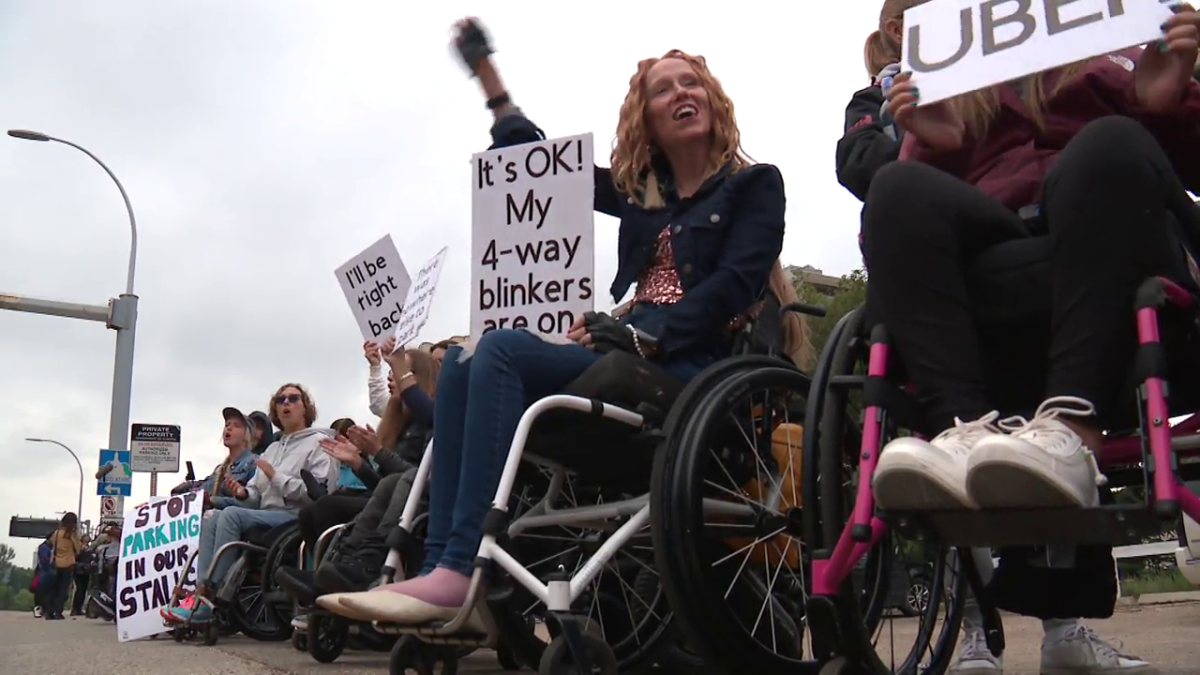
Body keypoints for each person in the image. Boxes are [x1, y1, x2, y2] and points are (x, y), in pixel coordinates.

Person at [330, 17, 805, 628]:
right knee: (467, 360)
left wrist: (641, 334)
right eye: (664, 89)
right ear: (646, 117)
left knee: (499, 350)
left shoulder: (755, 186)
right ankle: (447, 571)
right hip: (628, 356)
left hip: (695, 368)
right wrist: (489, 79)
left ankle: (458, 567)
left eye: (692, 83)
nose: (682, 93)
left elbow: (734, 286)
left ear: (712, 100)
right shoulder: (642, 195)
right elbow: (539, 165)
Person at [865, 5, 1200, 672]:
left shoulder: (1114, 68)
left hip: (1109, 255)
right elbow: (911, 234)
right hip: (996, 277)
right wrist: (932, 140)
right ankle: (958, 431)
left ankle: (1071, 429)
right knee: (897, 186)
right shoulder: (956, 95)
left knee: (1106, 144)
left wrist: (1169, 101)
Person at [277, 343, 439, 617]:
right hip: (395, 497)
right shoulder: (398, 421)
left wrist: (377, 452)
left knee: (327, 506)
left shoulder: (429, 420)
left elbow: (416, 477)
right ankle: (335, 572)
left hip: (423, 502)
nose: (391, 377)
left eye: (399, 370)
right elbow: (386, 483)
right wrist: (360, 464)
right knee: (315, 511)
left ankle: (360, 567)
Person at [166, 383, 336, 623]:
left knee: (231, 515)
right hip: (265, 513)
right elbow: (256, 493)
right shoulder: (272, 450)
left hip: (295, 515)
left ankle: (211, 595)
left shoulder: (319, 443)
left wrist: (276, 477)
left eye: (293, 399)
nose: (286, 403)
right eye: (280, 400)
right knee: (211, 516)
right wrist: (243, 492)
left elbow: (316, 493)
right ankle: (201, 590)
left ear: (306, 408)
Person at [171, 407, 259, 508]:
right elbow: (203, 488)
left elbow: (251, 503)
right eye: (227, 425)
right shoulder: (219, 469)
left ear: (246, 435)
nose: (229, 428)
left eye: (236, 425)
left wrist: (214, 501)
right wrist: (184, 491)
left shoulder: (254, 463)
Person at [45, 513, 83, 620]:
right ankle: (58, 612)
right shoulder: (72, 534)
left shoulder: (57, 533)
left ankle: (49, 612)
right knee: (63, 589)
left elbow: (52, 544)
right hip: (68, 563)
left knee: (54, 589)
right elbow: (78, 549)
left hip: (57, 563)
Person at [32, 533, 54, 619]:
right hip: (43, 572)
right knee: (41, 592)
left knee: (45, 592)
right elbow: (44, 560)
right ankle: (38, 608)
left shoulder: (49, 547)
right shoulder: (44, 547)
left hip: (46, 571)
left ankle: (43, 609)